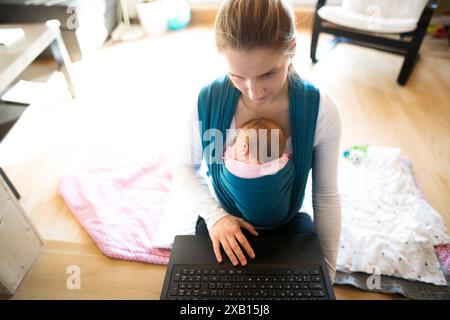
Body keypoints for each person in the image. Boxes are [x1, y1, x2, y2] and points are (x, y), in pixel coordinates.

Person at [176, 0, 341, 281]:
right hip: (224, 221)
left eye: (268, 73)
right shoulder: (208, 102)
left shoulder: (319, 109)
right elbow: (185, 167)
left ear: (292, 50)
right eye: (237, 76)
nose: (254, 92)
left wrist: (328, 274)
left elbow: (325, 196)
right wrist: (215, 217)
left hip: (287, 223)